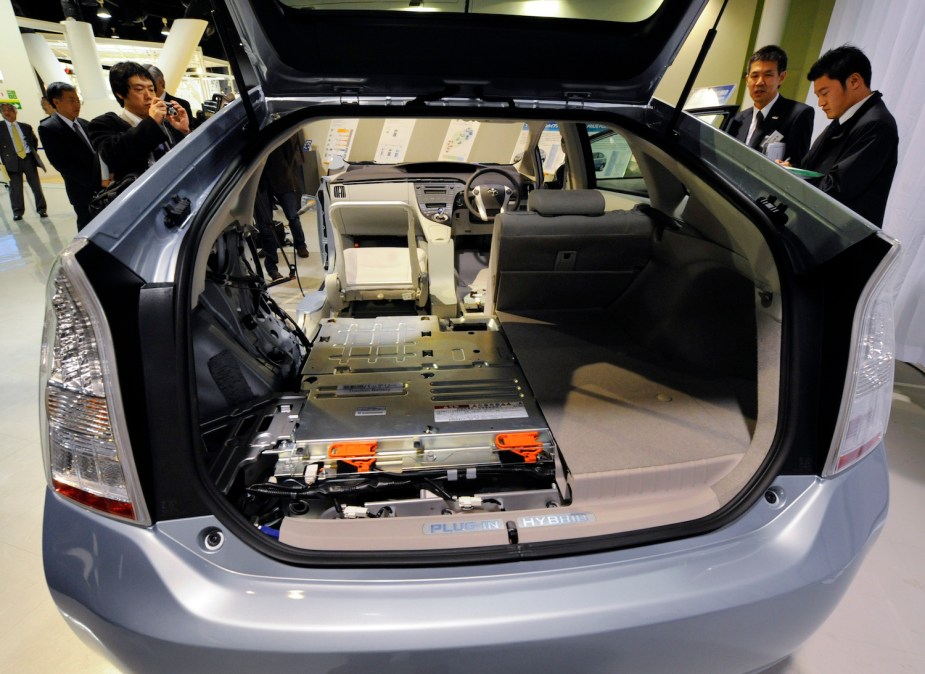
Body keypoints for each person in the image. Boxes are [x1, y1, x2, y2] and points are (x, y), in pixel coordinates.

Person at [801, 45, 898, 228]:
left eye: (825, 93)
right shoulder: (845, 119)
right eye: (818, 96)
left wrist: (792, 180)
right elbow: (808, 165)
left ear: (854, 81)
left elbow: (836, 190)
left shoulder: (877, 124)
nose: (821, 103)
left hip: (842, 238)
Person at [89, 61, 190, 181]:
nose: (149, 96)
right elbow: (114, 156)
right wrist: (152, 122)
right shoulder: (104, 124)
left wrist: (183, 131)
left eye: (152, 89)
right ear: (120, 94)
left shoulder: (166, 122)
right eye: (139, 89)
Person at [727, 45, 814, 166]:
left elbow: (798, 164)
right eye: (754, 76)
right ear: (747, 80)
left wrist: (789, 167)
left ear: (781, 77)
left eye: (768, 75)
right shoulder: (737, 119)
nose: (759, 82)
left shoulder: (798, 114)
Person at [39, 82, 99, 230]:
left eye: (78, 100)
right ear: (56, 102)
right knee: (87, 226)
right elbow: (62, 164)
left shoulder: (85, 124)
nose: (77, 104)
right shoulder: (49, 128)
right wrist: (95, 181)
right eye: (71, 100)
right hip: (81, 189)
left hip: (103, 185)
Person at [264, 134, 310, 258]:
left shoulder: (279, 132)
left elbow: (290, 154)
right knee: (265, 220)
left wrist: (284, 169)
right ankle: (269, 247)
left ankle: (301, 245)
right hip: (263, 183)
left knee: (292, 216)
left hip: (282, 178)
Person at [0, 103, 47, 221]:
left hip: (28, 159)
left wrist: (31, 153)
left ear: (15, 112)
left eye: (9, 110)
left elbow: (34, 141)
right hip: (11, 161)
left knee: (36, 186)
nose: (7, 112)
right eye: (3, 110)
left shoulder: (25, 127)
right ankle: (17, 212)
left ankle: (42, 210)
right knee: (15, 189)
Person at [144, 64, 197, 130]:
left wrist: (184, 130)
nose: (145, 90)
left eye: (150, 85)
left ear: (161, 82)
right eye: (140, 88)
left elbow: (192, 133)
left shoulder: (182, 105)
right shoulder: (142, 107)